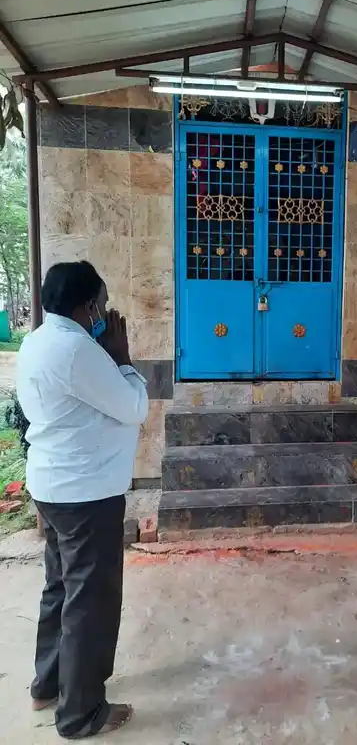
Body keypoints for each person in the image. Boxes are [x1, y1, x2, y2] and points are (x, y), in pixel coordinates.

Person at [16, 261, 149, 739]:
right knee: (88, 600)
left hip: (54, 488)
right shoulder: (79, 351)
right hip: (86, 495)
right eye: (104, 302)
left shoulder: (37, 342)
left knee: (60, 589)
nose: (107, 312)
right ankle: (81, 713)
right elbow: (134, 407)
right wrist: (124, 358)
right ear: (87, 305)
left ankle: (47, 685)